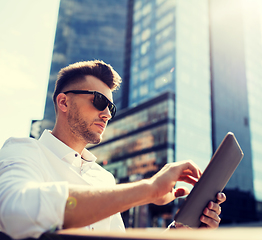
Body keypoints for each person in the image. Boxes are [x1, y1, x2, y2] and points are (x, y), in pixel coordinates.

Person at [0, 60, 226, 239]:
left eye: (111, 107)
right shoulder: (23, 150)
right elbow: (16, 212)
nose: (107, 114)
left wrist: (181, 232)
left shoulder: (104, 178)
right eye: (99, 101)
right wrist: (150, 189)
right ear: (64, 103)